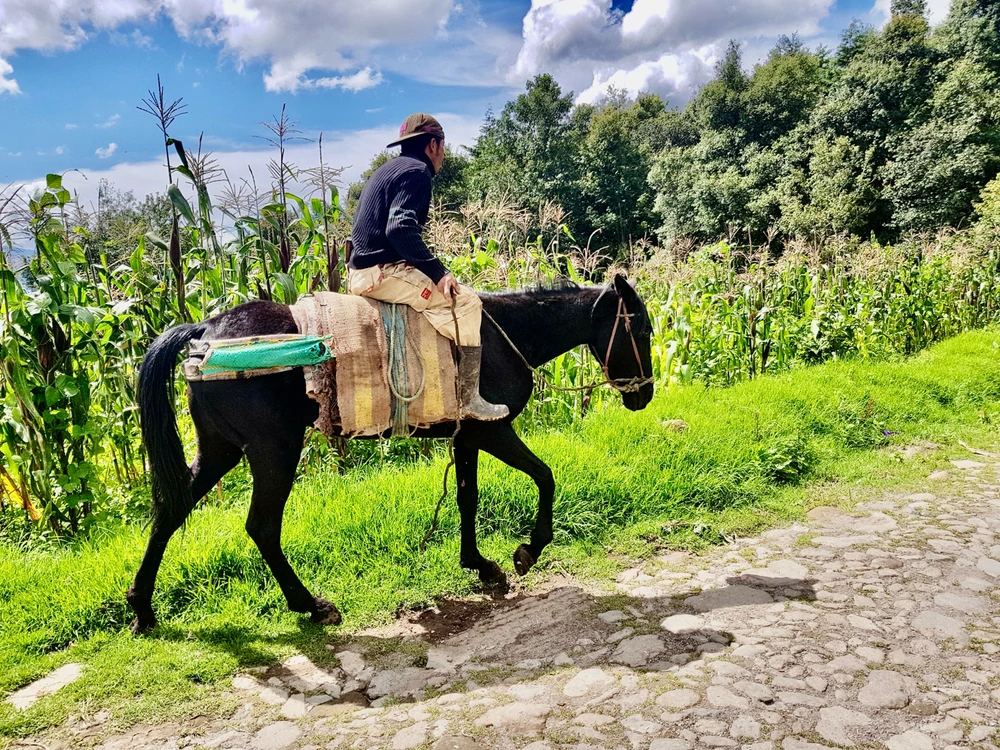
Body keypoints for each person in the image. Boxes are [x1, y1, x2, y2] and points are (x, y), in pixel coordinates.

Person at [347, 113, 509, 421]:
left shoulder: (389, 169)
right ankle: (468, 400)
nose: (444, 155)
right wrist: (439, 272)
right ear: (433, 145)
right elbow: (400, 228)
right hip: (379, 275)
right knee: (466, 302)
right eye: (443, 148)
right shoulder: (417, 172)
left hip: (366, 268)